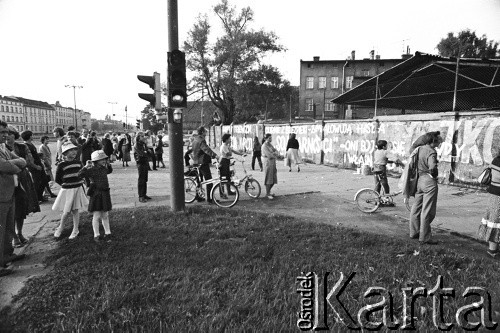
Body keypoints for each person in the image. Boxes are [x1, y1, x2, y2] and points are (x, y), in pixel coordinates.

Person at [5, 127, 40, 248]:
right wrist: (17, 163)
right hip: (9, 180)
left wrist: (14, 163)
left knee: (21, 208)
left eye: (10, 134)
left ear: (15, 135)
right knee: (10, 210)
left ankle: (19, 233)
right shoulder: (3, 148)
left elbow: (27, 161)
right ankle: (14, 237)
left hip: (23, 178)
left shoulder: (21, 147)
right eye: (5, 133)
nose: (8, 136)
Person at [0, 120, 27, 273]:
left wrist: (11, 163)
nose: (5, 135)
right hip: (1, 195)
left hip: (9, 192)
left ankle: (6, 255)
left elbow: (22, 161)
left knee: (8, 227)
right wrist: (13, 165)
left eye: (6, 132)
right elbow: (4, 166)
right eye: (2, 132)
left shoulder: (3, 147)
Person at [409, 132, 443, 245]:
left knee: (416, 207)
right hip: (428, 181)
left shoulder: (419, 149)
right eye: (438, 141)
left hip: (419, 180)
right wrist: (434, 175)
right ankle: (425, 237)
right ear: (432, 141)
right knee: (428, 210)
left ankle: (414, 232)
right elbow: (432, 167)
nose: (439, 143)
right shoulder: (431, 151)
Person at [52, 142, 89, 240]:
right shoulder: (62, 165)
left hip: (77, 188)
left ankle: (75, 229)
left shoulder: (78, 163)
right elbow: (58, 179)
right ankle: (60, 227)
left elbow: (82, 174)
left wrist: (82, 182)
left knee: (75, 210)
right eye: (70, 150)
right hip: (67, 190)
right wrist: (66, 185)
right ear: (64, 153)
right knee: (66, 210)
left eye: (74, 150)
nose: (74, 152)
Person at [78, 150, 113, 243]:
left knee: (105, 214)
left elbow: (109, 171)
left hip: (105, 193)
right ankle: (96, 234)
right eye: (101, 159)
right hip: (96, 194)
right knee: (97, 215)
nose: (104, 161)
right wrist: (86, 166)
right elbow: (80, 175)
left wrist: (108, 164)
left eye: (104, 159)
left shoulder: (103, 168)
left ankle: (108, 232)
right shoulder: (91, 170)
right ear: (95, 161)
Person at [478, 150, 500, 257]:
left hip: (493, 195)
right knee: (496, 221)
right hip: (498, 197)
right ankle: (493, 251)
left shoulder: (495, 160)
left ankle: (493, 250)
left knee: (493, 221)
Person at [192, 126, 218, 203]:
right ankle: (210, 199)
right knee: (209, 181)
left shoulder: (195, 139)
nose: (206, 133)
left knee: (199, 181)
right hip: (202, 163)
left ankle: (198, 197)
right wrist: (215, 155)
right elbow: (206, 149)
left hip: (196, 162)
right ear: (202, 132)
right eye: (205, 131)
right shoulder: (201, 140)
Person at [21, 130, 48, 203]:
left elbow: (33, 154)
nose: (33, 136)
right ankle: (36, 199)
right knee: (36, 183)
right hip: (35, 167)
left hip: (39, 165)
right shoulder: (25, 146)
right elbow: (28, 160)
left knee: (44, 180)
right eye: (32, 135)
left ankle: (40, 197)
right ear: (29, 136)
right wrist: (36, 166)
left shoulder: (30, 144)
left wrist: (39, 155)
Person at [261, 133, 281, 199]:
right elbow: (269, 155)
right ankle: (267, 193)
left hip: (272, 162)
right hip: (268, 162)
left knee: (273, 178)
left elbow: (276, 151)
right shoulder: (264, 146)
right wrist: (275, 154)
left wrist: (275, 153)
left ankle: (269, 192)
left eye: (271, 138)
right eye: (269, 138)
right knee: (269, 177)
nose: (271, 139)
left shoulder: (270, 145)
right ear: (266, 138)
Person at [134, 132, 151, 203]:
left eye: (143, 136)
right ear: (138, 137)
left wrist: (146, 152)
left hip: (145, 162)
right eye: (142, 136)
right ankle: (141, 196)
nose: (143, 137)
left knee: (145, 179)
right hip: (140, 163)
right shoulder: (137, 145)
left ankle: (144, 194)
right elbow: (141, 154)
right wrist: (146, 152)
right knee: (141, 179)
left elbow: (149, 152)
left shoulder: (143, 144)